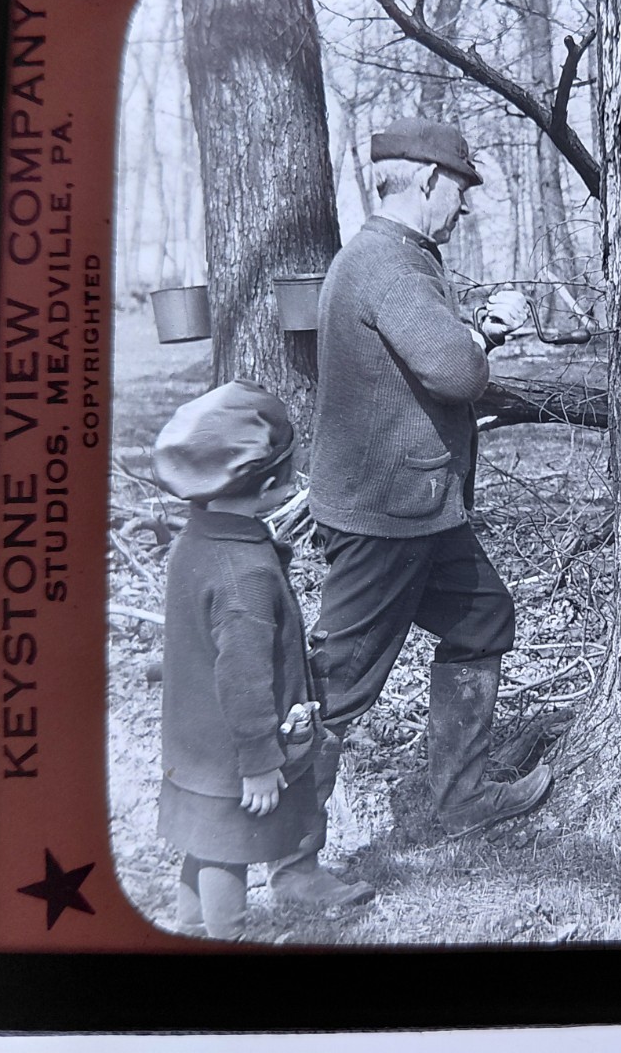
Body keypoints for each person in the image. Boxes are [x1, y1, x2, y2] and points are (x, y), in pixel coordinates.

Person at [286, 117, 552, 876]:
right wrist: (479, 344)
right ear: (430, 182)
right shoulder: (392, 266)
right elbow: (455, 374)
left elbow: (428, 357)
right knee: (339, 687)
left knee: (482, 616)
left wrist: (477, 336)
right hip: (389, 517)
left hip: (415, 506)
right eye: (461, 190)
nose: (464, 208)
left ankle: (458, 798)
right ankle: (293, 865)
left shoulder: (383, 258)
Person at [150, 380, 368, 940]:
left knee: (204, 843)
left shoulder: (196, 542)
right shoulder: (243, 571)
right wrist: (259, 759)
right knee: (230, 849)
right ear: (271, 484)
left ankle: (191, 924)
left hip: (194, 743)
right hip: (233, 750)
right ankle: (231, 936)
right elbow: (243, 675)